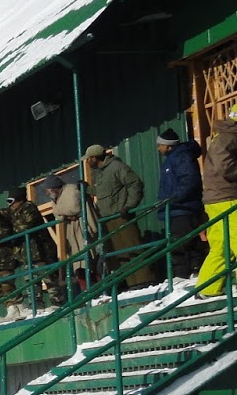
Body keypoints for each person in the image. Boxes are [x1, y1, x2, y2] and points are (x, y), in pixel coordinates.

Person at [86, 144, 153, 289]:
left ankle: (143, 280)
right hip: (107, 219)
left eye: (88, 158)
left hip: (121, 216)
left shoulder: (116, 167)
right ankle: (131, 283)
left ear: (95, 157)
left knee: (132, 248)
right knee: (119, 254)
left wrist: (129, 205)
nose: (87, 162)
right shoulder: (97, 173)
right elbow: (103, 192)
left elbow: (135, 183)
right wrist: (86, 189)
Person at [157, 128, 207, 280]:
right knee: (179, 241)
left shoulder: (181, 157)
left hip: (183, 207)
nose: (158, 148)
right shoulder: (172, 159)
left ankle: (190, 270)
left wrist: (174, 198)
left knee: (185, 241)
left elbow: (188, 180)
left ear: (168, 145)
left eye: (160, 145)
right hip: (174, 208)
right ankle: (183, 272)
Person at [199, 104, 237, 296]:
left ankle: (207, 287)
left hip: (215, 198)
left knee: (221, 246)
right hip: (227, 198)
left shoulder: (222, 136)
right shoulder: (229, 137)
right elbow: (225, 166)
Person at [5, 186, 62, 307]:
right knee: (31, 280)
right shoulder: (13, 213)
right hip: (26, 253)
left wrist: (10, 232)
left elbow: (24, 226)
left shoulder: (28, 207)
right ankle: (36, 306)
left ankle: (57, 302)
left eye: (10, 201)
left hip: (40, 250)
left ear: (19, 200)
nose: (9, 205)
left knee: (48, 277)